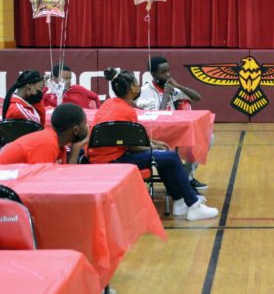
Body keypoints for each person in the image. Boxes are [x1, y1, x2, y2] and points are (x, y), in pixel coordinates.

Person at [88, 68, 218, 221]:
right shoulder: (127, 111)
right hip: (116, 159)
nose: (138, 87)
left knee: (164, 157)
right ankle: (193, 205)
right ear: (131, 88)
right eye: (136, 84)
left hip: (101, 156)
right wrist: (152, 147)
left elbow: (127, 140)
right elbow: (133, 147)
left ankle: (179, 201)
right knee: (170, 157)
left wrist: (153, 144)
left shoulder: (109, 104)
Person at [136, 56, 209, 192]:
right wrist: (166, 96)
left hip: (175, 131)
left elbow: (197, 97)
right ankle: (182, 183)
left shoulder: (172, 87)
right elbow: (158, 117)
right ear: (153, 74)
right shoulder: (145, 92)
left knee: (206, 136)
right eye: (163, 72)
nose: (168, 74)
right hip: (157, 135)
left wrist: (178, 86)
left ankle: (187, 178)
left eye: (168, 70)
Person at [0, 103, 89, 165]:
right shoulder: (47, 144)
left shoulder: (58, 143)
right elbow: (43, 187)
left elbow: (66, 178)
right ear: (76, 130)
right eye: (85, 124)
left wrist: (76, 148)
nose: (87, 127)